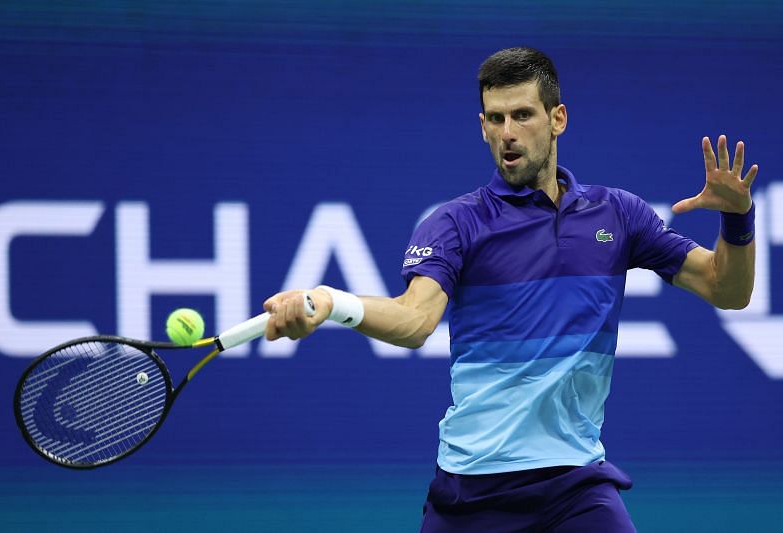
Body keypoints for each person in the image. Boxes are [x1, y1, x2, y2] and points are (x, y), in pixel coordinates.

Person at [261, 47, 758, 532]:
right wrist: (331, 303)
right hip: (472, 492)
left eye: (522, 115)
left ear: (558, 118)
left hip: (576, 485)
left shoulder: (618, 215)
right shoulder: (456, 223)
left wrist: (738, 220)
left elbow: (727, 289)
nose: (508, 134)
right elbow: (414, 321)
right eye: (495, 119)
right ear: (482, 127)